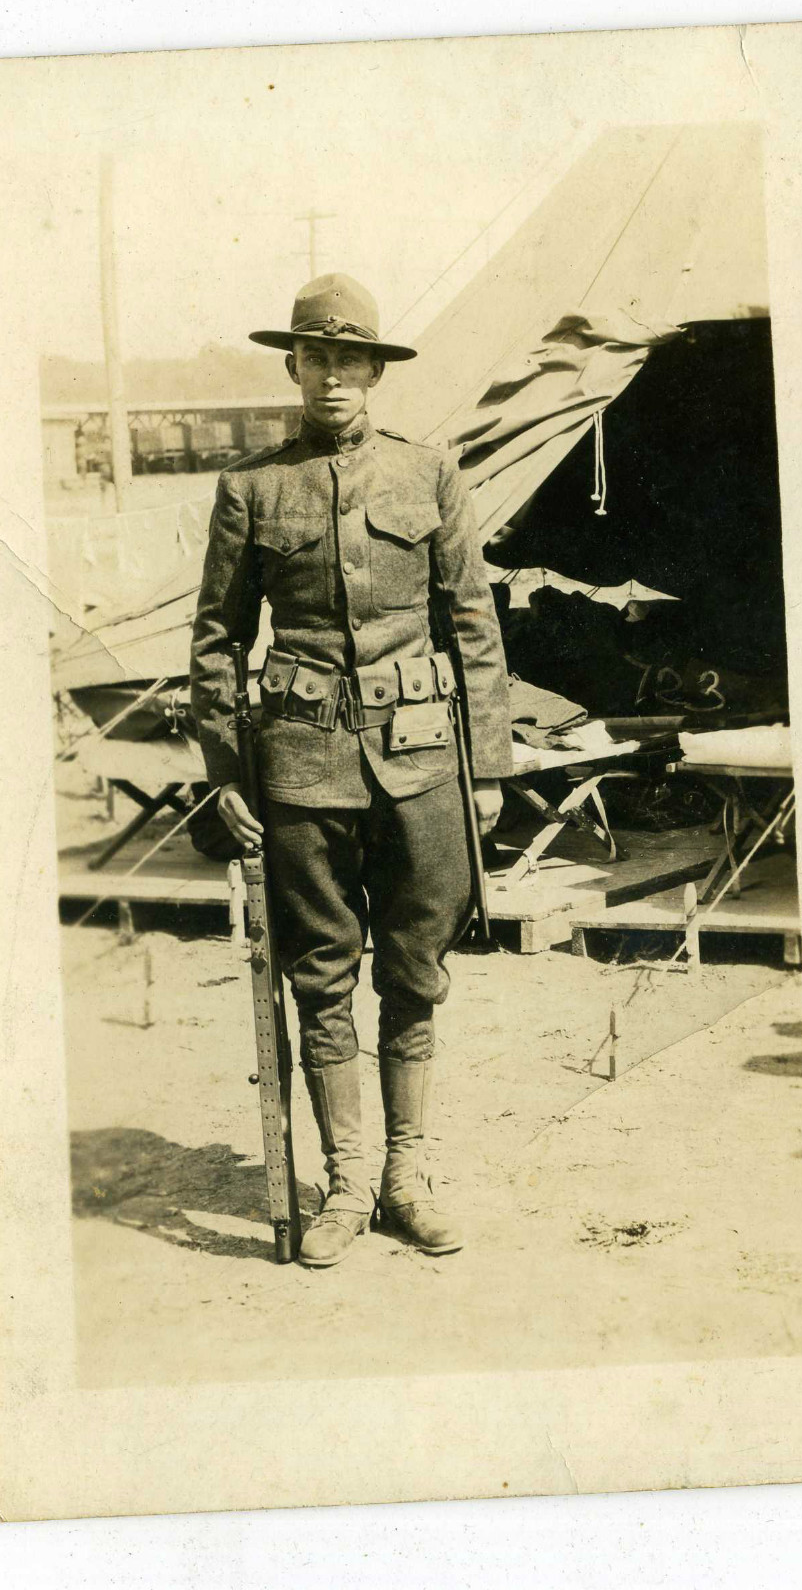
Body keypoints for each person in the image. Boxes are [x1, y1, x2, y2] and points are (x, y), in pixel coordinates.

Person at [190, 273, 512, 1268]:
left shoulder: (430, 475)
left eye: (350, 359)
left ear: (375, 370)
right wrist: (227, 771)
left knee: (415, 971)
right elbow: (214, 640)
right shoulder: (251, 488)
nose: (333, 377)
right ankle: (341, 1185)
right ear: (292, 365)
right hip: (298, 770)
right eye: (315, 357)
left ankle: (402, 1180)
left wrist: (488, 768)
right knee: (320, 975)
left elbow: (473, 629)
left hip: (421, 766)